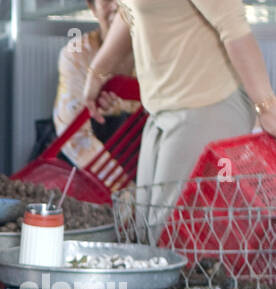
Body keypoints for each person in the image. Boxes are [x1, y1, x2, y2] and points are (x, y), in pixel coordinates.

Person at [82, 0, 276, 208]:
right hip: (162, 110)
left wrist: (267, 107)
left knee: (170, 229)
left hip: (206, 103)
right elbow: (130, 11)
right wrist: (97, 72)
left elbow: (233, 25)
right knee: (147, 225)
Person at [53, 0, 138, 182]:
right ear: (92, 8)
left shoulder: (157, 55)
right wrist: (124, 189)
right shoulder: (77, 55)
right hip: (89, 173)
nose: (116, 5)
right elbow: (74, 136)